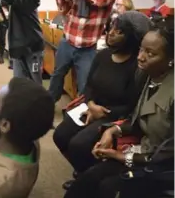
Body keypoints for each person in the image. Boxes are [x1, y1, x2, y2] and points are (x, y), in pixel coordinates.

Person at [64, 16, 174, 198]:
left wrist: (120, 156)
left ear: (171, 59)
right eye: (141, 49)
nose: (140, 57)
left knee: (107, 187)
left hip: (162, 168)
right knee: (86, 181)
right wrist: (113, 131)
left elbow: (167, 156)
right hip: (143, 154)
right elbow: (137, 119)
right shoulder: (148, 76)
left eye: (150, 53)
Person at [53, 11, 152, 190]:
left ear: (132, 39)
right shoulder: (102, 55)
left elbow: (132, 105)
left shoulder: (137, 67)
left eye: (119, 31)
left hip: (115, 114)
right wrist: (91, 104)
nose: (111, 32)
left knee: (79, 144)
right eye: (112, 27)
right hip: (92, 107)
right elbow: (89, 86)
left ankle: (87, 176)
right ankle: (82, 170)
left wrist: (101, 111)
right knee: (60, 135)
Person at [48, 0, 118, 103]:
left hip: (87, 47)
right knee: (57, 75)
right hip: (68, 41)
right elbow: (64, 9)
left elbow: (100, 0)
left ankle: (79, 115)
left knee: (84, 84)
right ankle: (48, 105)